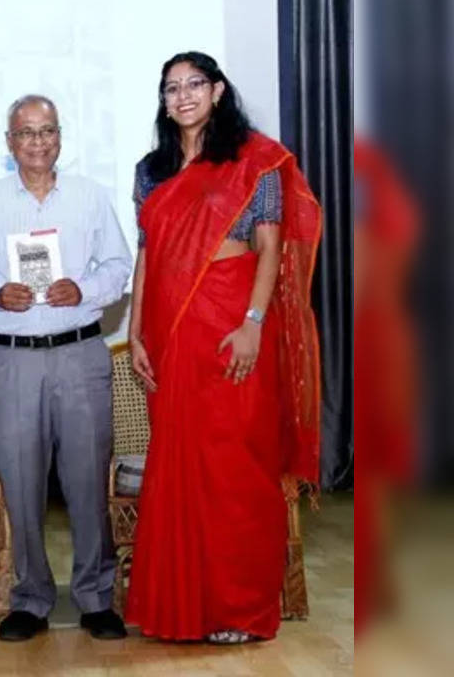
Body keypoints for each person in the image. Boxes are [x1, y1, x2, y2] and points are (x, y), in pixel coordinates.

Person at [124, 51, 321, 644]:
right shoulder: (151, 170)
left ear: (217, 90)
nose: (182, 96)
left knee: (237, 471)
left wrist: (255, 321)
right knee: (179, 469)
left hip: (232, 330)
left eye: (194, 85)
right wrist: (135, 331)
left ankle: (242, 609)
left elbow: (271, 245)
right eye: (171, 88)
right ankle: (183, 608)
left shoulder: (253, 160)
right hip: (169, 335)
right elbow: (147, 254)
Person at [0, 94, 131, 643]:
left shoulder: (89, 197)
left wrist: (85, 287)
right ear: (9, 144)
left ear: (60, 137)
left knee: (85, 481)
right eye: (25, 133)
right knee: (23, 483)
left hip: (79, 353)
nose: (37, 141)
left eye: (47, 130)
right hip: (11, 360)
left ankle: (96, 597)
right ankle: (30, 598)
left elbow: (120, 266)